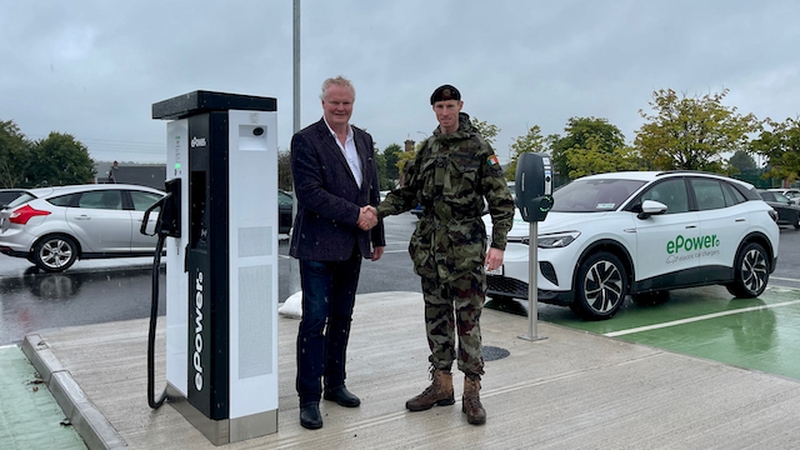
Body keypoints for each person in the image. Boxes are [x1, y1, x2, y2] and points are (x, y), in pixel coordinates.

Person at [366, 84, 514, 425]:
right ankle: (441, 385)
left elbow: (502, 201)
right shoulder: (428, 148)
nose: (445, 112)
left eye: (450, 106)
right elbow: (407, 194)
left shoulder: (479, 148)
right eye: (439, 107)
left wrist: (499, 244)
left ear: (460, 106)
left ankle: (472, 391)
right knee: (436, 319)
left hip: (465, 251)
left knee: (468, 322)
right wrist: (377, 211)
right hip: (431, 250)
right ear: (433, 109)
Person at [290, 75, 385, 430]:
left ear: (352, 104)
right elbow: (309, 193)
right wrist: (355, 215)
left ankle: (335, 384)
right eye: (334, 103)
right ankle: (309, 398)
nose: (341, 108)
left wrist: (377, 234)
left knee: (343, 318)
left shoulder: (364, 139)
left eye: (346, 103)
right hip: (317, 246)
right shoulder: (305, 140)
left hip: (354, 246)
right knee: (315, 321)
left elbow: (371, 189)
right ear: (323, 104)